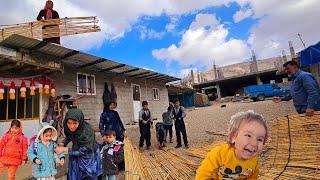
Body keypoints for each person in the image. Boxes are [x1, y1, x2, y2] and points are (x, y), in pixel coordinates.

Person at [195, 110, 269, 179]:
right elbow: (202, 176)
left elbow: (252, 178)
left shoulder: (254, 162)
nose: (254, 143)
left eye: (260, 139)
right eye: (248, 135)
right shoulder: (218, 155)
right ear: (233, 137)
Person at [56, 108, 102, 180]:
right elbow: (69, 136)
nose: (71, 126)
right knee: (74, 175)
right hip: (76, 155)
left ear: (80, 121)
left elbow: (84, 151)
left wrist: (66, 150)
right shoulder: (67, 128)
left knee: (88, 175)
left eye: (75, 123)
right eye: (69, 123)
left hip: (88, 157)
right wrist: (63, 143)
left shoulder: (87, 132)